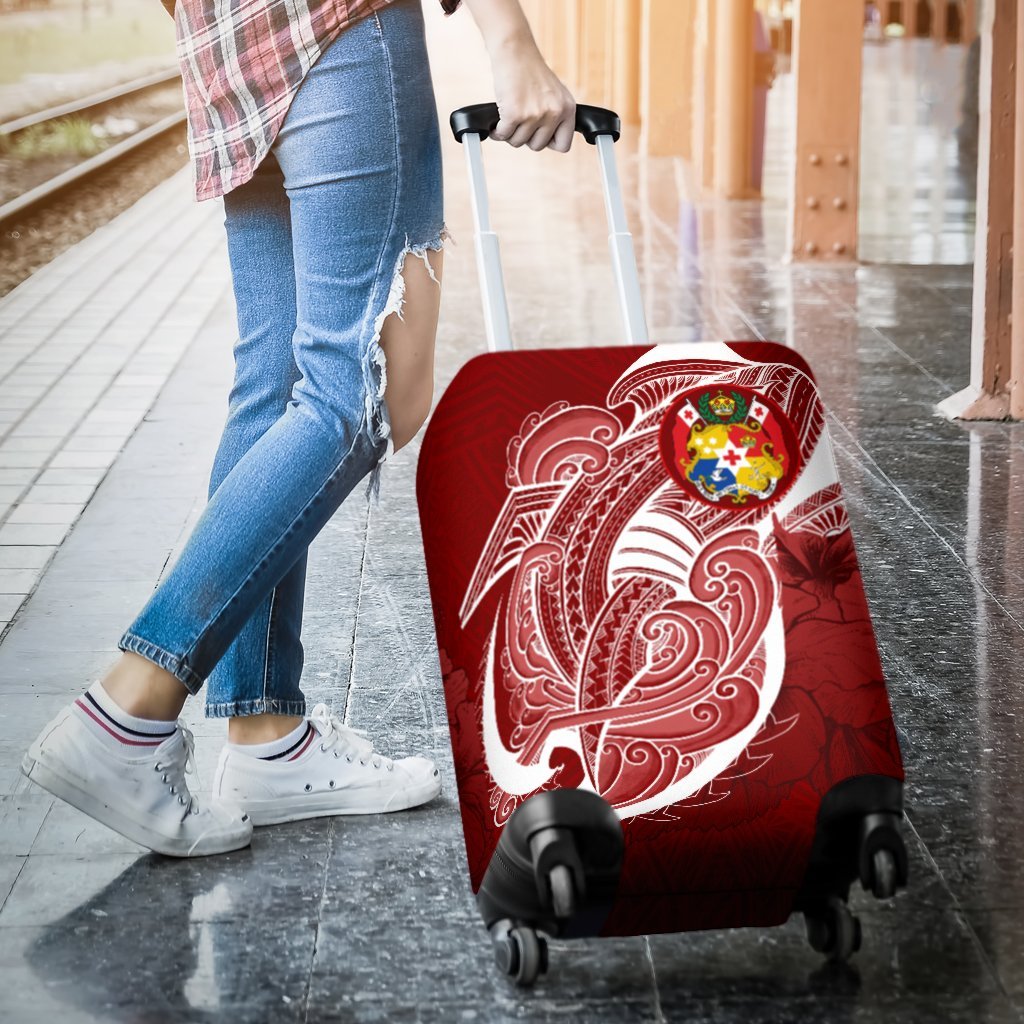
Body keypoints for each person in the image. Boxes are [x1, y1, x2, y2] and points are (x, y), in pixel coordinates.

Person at [21, 0, 576, 857]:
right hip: (341, 28)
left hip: (228, 51)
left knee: (276, 385)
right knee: (360, 391)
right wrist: (512, 43)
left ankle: (265, 735)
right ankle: (127, 711)